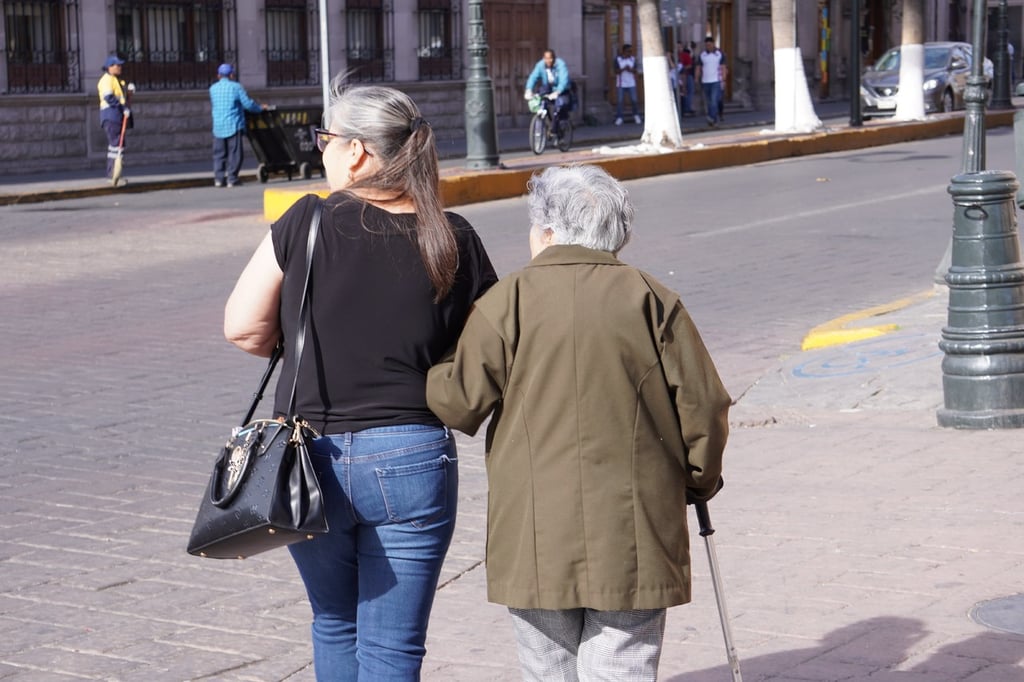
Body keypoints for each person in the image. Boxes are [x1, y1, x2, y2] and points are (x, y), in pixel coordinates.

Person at [223, 83, 497, 680]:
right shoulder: (453, 236)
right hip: (412, 455)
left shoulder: (308, 219)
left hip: (308, 455)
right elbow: (489, 348)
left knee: (333, 621)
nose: (319, 151)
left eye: (325, 139)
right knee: (393, 646)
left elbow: (242, 328)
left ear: (356, 152)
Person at [426, 164, 730, 682]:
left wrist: (429, 368)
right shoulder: (651, 297)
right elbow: (704, 407)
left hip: (534, 529)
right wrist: (698, 480)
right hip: (635, 526)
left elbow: (459, 403)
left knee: (547, 670)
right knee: (623, 666)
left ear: (547, 232)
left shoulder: (507, 300)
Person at [209, 63, 266, 187]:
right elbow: (248, 105)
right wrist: (260, 108)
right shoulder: (236, 87)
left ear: (218, 76)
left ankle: (218, 179)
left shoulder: (212, 89)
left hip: (218, 127)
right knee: (235, 153)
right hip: (233, 126)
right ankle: (232, 178)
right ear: (231, 75)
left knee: (219, 154)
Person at [97, 55, 134, 186]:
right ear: (110, 67)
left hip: (117, 115)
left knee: (119, 145)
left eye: (120, 65)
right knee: (115, 145)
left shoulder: (117, 80)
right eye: (117, 65)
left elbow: (122, 95)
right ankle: (112, 175)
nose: (120, 67)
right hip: (111, 115)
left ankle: (116, 175)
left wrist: (129, 92)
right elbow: (109, 97)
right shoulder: (106, 80)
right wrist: (123, 108)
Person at [524, 49, 572, 133]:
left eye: (550, 58)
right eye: (546, 58)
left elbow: (563, 80)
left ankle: (557, 129)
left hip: (561, 90)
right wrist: (528, 89)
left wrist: (558, 91)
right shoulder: (540, 65)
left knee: (558, 107)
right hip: (548, 88)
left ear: (554, 58)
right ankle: (544, 119)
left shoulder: (560, 65)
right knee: (541, 96)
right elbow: (533, 77)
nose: (548, 61)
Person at [695, 35, 726, 127]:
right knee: (708, 101)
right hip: (705, 81)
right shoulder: (702, 55)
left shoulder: (719, 54)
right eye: (706, 45)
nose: (708, 46)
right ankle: (713, 119)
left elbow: (723, 67)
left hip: (716, 81)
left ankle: (711, 117)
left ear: (713, 44)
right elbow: (698, 67)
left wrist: (723, 78)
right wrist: (696, 78)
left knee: (713, 100)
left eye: (709, 44)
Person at [614, 43, 642, 125]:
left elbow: (636, 70)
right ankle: (619, 117)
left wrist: (631, 70)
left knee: (634, 100)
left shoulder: (633, 59)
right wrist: (623, 69)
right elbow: (615, 71)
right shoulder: (618, 59)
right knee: (620, 101)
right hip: (621, 83)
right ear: (623, 51)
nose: (629, 53)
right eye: (628, 51)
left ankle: (636, 115)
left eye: (631, 51)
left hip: (631, 83)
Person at [677, 42, 696, 116]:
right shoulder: (674, 55)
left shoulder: (685, 55)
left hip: (687, 75)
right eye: (677, 47)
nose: (679, 48)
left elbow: (690, 65)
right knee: (682, 93)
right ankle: (683, 108)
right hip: (677, 77)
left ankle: (688, 107)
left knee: (689, 92)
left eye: (680, 47)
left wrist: (683, 68)